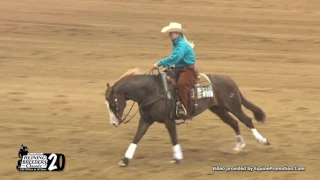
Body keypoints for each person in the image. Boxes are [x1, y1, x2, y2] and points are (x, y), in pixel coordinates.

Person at [152, 22, 196, 119]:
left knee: (181, 84)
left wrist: (159, 63)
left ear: (177, 33)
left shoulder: (181, 44)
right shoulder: (177, 43)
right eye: (169, 33)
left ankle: (184, 108)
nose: (169, 35)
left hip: (188, 69)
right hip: (180, 68)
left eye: (171, 33)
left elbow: (175, 57)